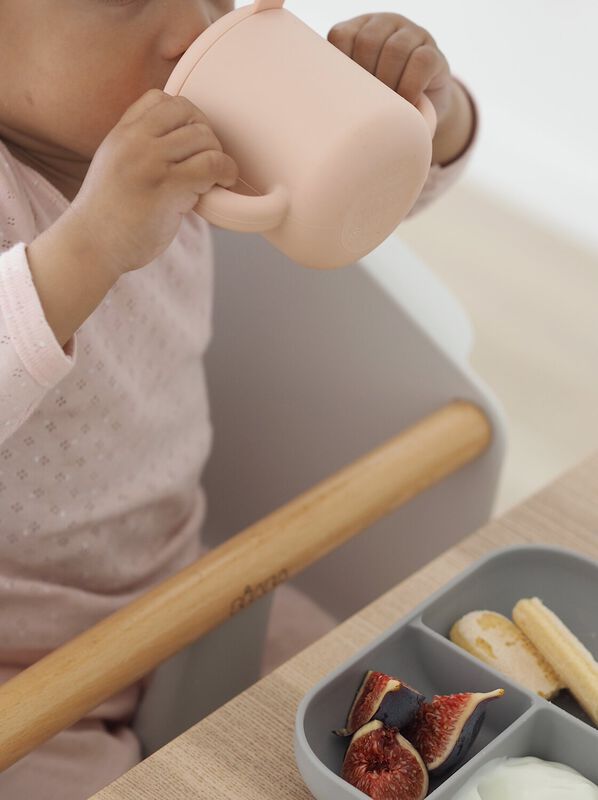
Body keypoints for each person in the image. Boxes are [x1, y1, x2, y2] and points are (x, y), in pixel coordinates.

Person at [0, 2, 476, 797]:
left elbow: (361, 189)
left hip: (187, 587)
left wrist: (422, 107)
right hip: (25, 682)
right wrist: (91, 244)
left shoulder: (190, 137)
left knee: (376, 709)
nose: (194, 23)